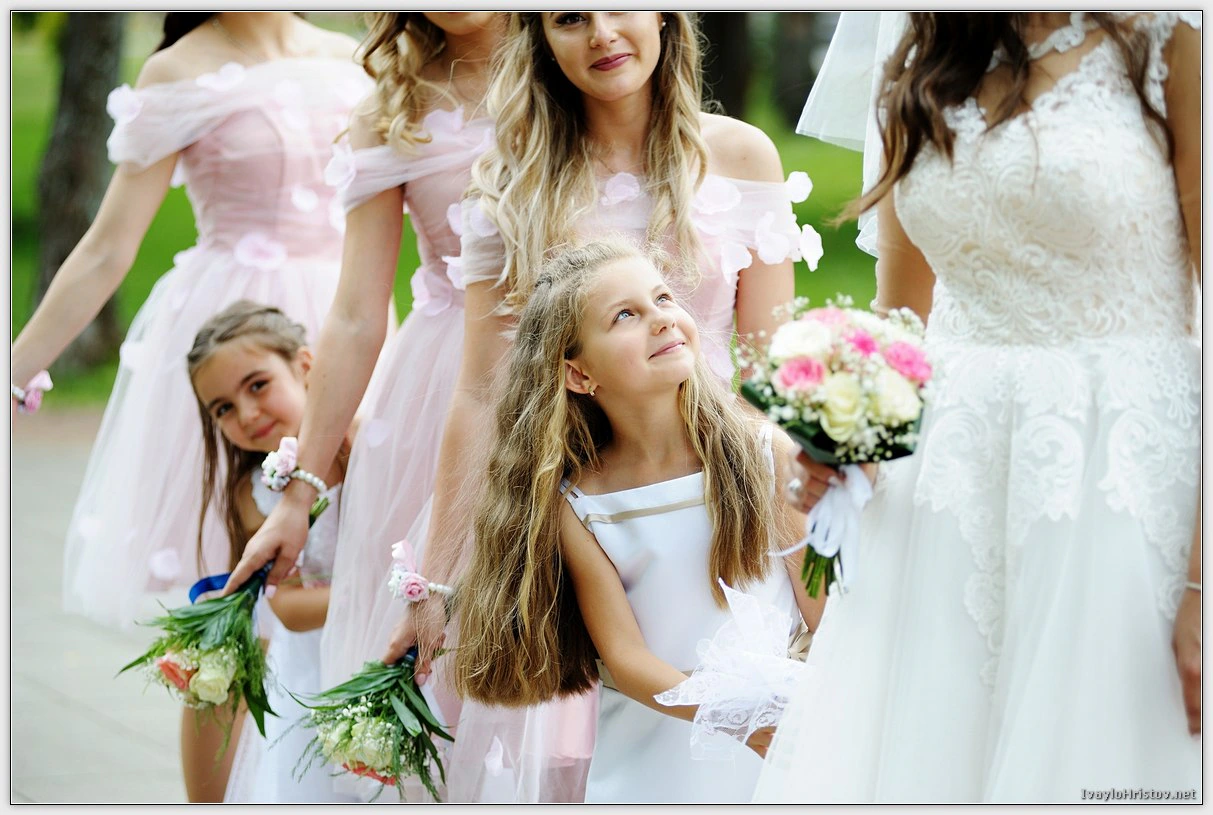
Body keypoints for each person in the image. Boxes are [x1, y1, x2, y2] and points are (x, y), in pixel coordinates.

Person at [226, 11, 810, 802]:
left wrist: (806, 521)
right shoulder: (509, 181)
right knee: (590, 748)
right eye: (568, 18)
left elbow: (770, 370)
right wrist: (435, 582)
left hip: (722, 501)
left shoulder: (740, 155)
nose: (601, 34)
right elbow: (478, 390)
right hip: (576, 511)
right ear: (539, 38)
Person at [756, 12, 1202, 802]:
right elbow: (904, 317)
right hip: (947, 491)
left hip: (1119, 476)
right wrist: (847, 439)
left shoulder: (1171, 33)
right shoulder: (922, 56)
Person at [11, 14, 371, 801]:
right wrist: (17, 367)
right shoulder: (177, 70)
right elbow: (108, 246)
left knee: (351, 563)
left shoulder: (352, 57)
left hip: (344, 325)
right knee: (230, 619)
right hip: (231, 348)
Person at [452, 239, 821, 803]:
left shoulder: (763, 455)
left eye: (663, 298)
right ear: (579, 374)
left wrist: (793, 711)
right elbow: (624, 659)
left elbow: (821, 613)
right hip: (658, 755)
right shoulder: (580, 503)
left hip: (782, 740)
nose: (661, 318)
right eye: (625, 315)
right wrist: (731, 713)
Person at [182, 301, 355, 804]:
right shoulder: (255, 493)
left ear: (305, 365)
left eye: (257, 385)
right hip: (315, 675)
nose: (247, 413)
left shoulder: (368, 445)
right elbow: (288, 606)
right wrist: (379, 598)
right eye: (223, 409)